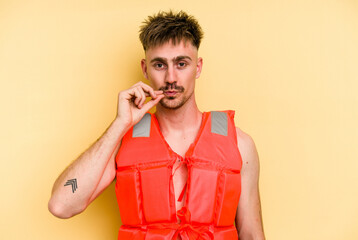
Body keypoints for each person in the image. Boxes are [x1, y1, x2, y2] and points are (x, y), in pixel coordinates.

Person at [48, 10, 265, 240]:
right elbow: (61, 205)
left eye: (181, 63)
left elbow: (251, 233)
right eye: (160, 65)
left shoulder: (239, 144)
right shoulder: (123, 143)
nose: (171, 78)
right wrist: (120, 125)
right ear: (145, 68)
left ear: (198, 67)